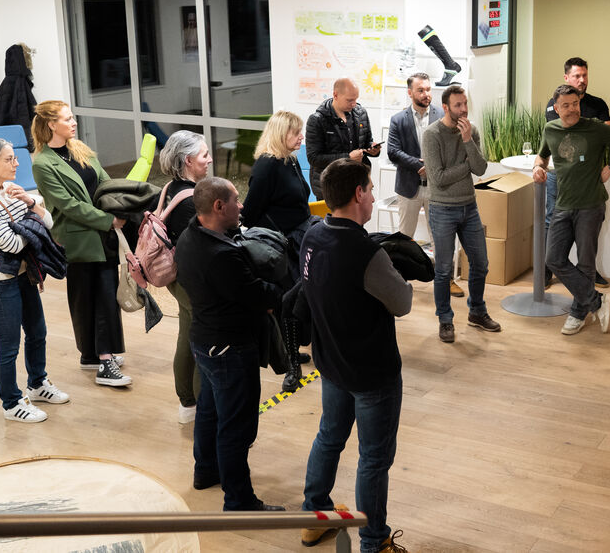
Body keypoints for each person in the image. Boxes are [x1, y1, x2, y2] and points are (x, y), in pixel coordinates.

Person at [299, 158, 412, 553]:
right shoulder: (366, 252)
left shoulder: (312, 236)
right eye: (371, 189)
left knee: (329, 437)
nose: (374, 197)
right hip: (372, 373)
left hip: (331, 363)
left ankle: (314, 518)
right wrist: (397, 273)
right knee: (374, 460)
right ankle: (374, 542)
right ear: (358, 193)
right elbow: (402, 303)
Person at [175, 176, 284, 511]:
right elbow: (260, 296)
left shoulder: (189, 235)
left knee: (209, 412)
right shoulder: (221, 255)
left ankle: (206, 470)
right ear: (219, 206)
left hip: (204, 342)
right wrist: (285, 291)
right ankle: (239, 501)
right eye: (236, 200)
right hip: (229, 348)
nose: (242, 205)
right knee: (236, 427)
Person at [0, 136, 69, 423]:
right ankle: (11, 403)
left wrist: (30, 203)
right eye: (9, 159)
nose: (17, 163)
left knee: (37, 332)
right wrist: (32, 225)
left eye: (15, 158)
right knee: (8, 346)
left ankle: (37, 384)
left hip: (23, 275)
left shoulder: (11, 191)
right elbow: (10, 244)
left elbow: (48, 223)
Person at [31, 100, 132, 387]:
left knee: (98, 295)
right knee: (93, 298)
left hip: (102, 233)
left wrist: (120, 205)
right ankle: (105, 362)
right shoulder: (42, 164)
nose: (74, 122)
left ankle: (90, 355)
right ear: (51, 124)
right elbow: (67, 205)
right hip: (79, 238)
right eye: (67, 118)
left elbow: (104, 182)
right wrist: (107, 220)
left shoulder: (80, 149)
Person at [533, 85, 610, 336]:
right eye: (566, 105)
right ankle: (596, 300)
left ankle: (578, 314)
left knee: (586, 263)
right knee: (553, 259)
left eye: (575, 104)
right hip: (563, 204)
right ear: (556, 108)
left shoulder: (595, 128)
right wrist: (538, 167)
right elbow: (542, 156)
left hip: (590, 205)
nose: (572, 109)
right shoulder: (550, 129)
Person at [422, 85, 501, 343]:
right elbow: (438, 178)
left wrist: (467, 141)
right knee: (444, 270)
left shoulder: (471, 131)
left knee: (481, 264)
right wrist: (465, 166)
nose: (464, 109)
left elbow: (480, 168)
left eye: (465, 103)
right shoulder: (432, 135)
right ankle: (445, 319)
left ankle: (476, 311)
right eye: (458, 105)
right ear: (445, 107)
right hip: (442, 209)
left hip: (469, 207)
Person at [386, 72, 464, 298]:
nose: (426, 94)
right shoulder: (398, 120)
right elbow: (393, 152)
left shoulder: (443, 115)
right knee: (404, 237)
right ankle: (399, 281)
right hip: (409, 187)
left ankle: (446, 280)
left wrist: (431, 167)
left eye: (428, 89)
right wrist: (418, 165)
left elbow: (453, 148)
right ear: (410, 93)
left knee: (441, 235)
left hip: (437, 187)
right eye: (420, 90)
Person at [543, 57, 610, 289]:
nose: (582, 80)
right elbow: (565, 133)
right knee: (551, 221)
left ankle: (588, 274)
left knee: (587, 232)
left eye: (584, 75)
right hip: (559, 176)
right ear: (567, 77)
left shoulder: (598, 103)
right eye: (576, 76)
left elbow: (606, 133)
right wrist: (589, 127)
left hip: (588, 177)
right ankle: (546, 271)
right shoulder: (554, 104)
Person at [158, 130, 211, 424]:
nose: (210, 159)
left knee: (187, 333)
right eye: (204, 155)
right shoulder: (192, 201)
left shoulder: (169, 189)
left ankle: (187, 403)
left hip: (174, 276)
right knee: (205, 340)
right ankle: (205, 407)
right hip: (192, 279)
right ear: (188, 160)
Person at [241, 110, 313, 278]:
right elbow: (250, 212)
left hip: (298, 234)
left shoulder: (290, 159)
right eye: (296, 133)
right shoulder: (267, 165)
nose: (301, 137)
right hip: (284, 242)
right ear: (281, 135)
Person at [305, 78, 380, 200]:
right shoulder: (317, 120)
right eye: (349, 100)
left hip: (356, 183)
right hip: (331, 187)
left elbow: (367, 142)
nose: (354, 104)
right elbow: (314, 158)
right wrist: (348, 157)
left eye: (356, 99)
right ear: (335, 95)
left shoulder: (361, 113)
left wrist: (373, 149)